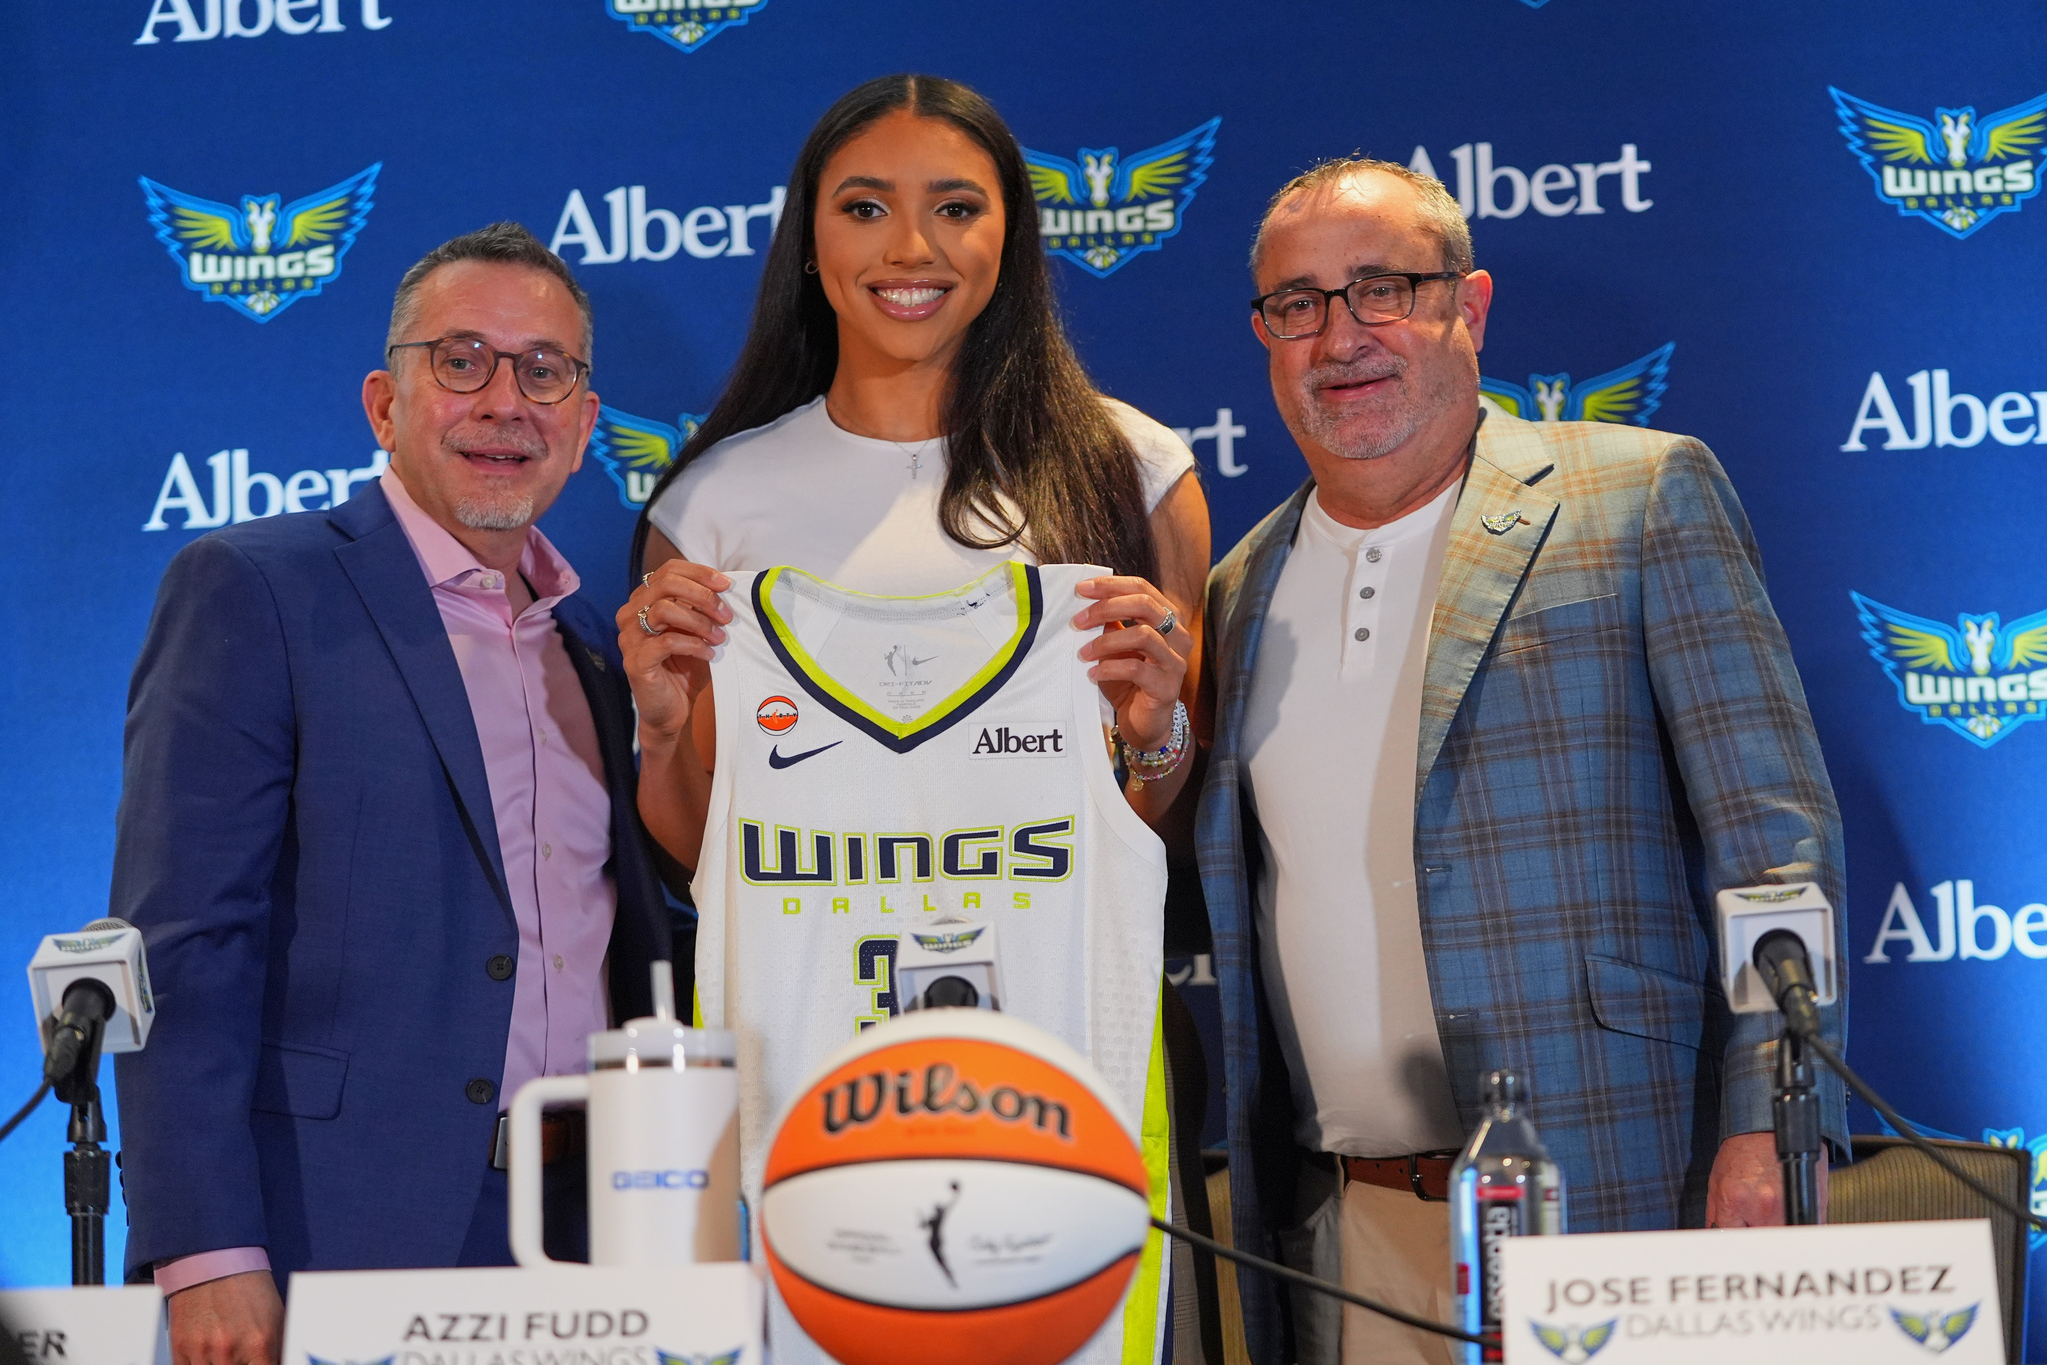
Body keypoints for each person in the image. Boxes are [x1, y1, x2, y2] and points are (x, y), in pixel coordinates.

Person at [1194, 159, 1847, 1365]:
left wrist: (1766, 1131)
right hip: (1348, 1232)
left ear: (1470, 305)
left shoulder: (1639, 497)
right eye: (1298, 304)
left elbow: (1774, 852)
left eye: (1381, 289)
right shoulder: (1237, 591)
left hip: (1617, 1192)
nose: (1340, 337)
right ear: (1265, 336)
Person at [614, 74, 1210, 1365]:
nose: (909, 248)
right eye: (864, 207)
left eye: (955, 207)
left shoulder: (1131, 470)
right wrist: (660, 734)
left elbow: (1145, 809)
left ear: (1012, 235)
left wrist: (1156, 727)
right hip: (805, 1116)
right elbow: (704, 845)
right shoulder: (716, 504)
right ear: (807, 238)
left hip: (1059, 1103)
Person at [112, 223, 676, 1365]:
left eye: (543, 371)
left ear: (583, 424)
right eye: (461, 361)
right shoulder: (255, 588)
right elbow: (184, 943)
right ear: (385, 403)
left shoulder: (598, 647)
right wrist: (207, 1250)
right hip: (335, 1231)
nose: (504, 401)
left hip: (595, 1235)